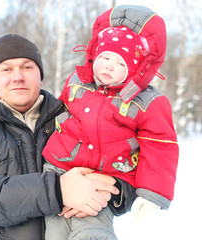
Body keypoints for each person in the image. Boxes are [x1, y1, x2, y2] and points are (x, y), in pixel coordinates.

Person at [0, 33, 119, 240]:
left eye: (27, 67)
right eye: (6, 69)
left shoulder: (76, 118)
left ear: (40, 76)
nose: (18, 76)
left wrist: (116, 192)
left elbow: (124, 158)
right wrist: (56, 191)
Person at [42, 5, 179, 240]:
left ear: (136, 70)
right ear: (94, 54)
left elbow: (160, 146)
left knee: (92, 229)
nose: (108, 65)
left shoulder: (147, 102)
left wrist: (152, 195)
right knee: (55, 229)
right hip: (60, 168)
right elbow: (58, 113)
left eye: (119, 63)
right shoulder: (76, 82)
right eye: (105, 57)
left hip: (105, 179)